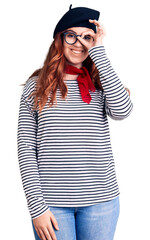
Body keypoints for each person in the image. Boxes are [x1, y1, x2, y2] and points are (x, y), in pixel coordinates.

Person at [17, 5, 133, 240]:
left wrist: (99, 52)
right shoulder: (36, 86)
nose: (79, 43)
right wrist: (36, 207)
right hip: (52, 203)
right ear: (59, 38)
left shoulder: (101, 84)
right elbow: (26, 149)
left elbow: (123, 111)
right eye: (72, 35)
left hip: (101, 202)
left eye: (87, 37)